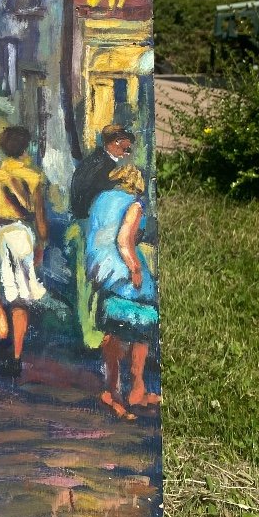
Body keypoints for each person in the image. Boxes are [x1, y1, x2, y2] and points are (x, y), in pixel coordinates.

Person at [0, 126, 48, 379]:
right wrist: (41, 244)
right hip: (24, 234)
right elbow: (40, 215)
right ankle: (16, 355)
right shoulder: (35, 176)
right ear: (25, 148)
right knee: (20, 297)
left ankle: (3, 337)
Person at [85, 163, 159, 420]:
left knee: (113, 329)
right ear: (136, 182)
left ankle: (111, 390)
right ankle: (136, 390)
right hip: (123, 270)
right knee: (143, 324)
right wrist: (135, 268)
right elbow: (124, 240)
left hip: (101, 270)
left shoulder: (100, 201)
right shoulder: (134, 203)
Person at [70, 124, 136, 220]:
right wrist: (120, 181)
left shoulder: (97, 157)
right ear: (117, 142)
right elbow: (99, 185)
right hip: (86, 213)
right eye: (125, 149)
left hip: (82, 210)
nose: (127, 153)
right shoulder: (105, 163)